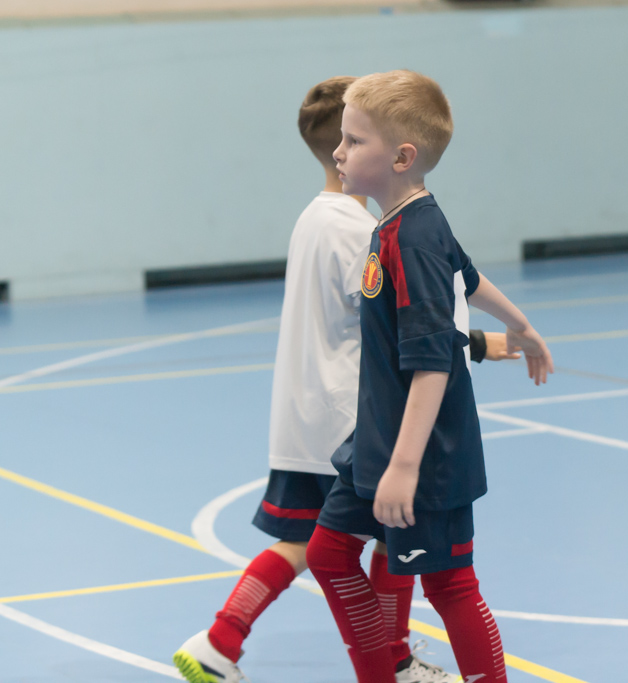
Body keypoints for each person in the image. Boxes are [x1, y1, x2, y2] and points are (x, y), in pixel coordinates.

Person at [173, 76, 516, 683]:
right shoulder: (363, 231)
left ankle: (226, 640)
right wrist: (482, 344)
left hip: (306, 408)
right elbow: (409, 328)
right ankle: (391, 660)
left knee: (318, 542)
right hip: (350, 415)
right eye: (350, 136)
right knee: (374, 540)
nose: (347, 149)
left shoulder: (318, 217)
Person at [305, 69, 553, 683]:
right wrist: (520, 325)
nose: (338, 153)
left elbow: (433, 362)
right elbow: (465, 275)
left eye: (354, 141)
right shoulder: (398, 223)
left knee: (449, 586)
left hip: (422, 456)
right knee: (329, 554)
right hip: (378, 440)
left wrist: (405, 467)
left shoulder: (413, 236)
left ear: (401, 157)